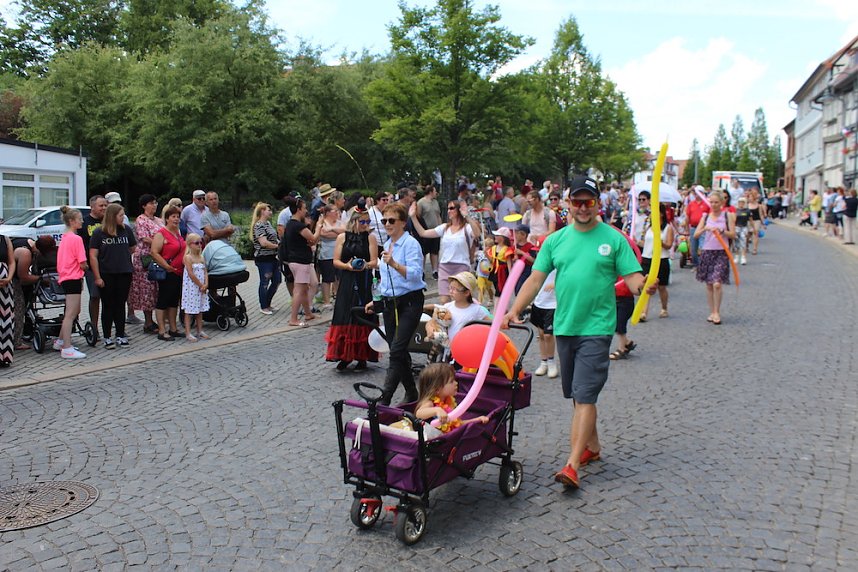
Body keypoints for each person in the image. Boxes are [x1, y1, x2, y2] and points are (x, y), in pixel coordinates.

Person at [502, 175, 654, 490]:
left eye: (589, 202)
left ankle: (572, 464)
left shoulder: (613, 239)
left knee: (584, 395)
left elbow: (634, 277)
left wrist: (644, 286)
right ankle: (592, 447)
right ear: (569, 204)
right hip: (565, 326)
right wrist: (515, 309)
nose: (583, 208)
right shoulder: (556, 241)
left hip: (597, 329)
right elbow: (534, 279)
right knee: (576, 395)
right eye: (577, 202)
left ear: (598, 204)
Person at [364, 202, 426, 405]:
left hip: (410, 302)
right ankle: (411, 392)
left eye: (391, 220)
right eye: (384, 220)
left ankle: (385, 398)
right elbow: (385, 278)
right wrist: (377, 301)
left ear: (403, 223)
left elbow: (416, 275)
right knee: (397, 350)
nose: (387, 224)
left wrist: (395, 264)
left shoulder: (410, 244)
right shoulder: (387, 244)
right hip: (390, 302)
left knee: (397, 349)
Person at [325, 206, 379, 371]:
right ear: (354, 221)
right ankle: (344, 355)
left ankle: (362, 356)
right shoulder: (342, 237)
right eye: (362, 221)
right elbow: (335, 261)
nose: (365, 224)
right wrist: (348, 267)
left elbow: (375, 261)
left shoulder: (370, 238)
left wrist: (364, 265)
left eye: (367, 221)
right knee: (344, 312)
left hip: (363, 279)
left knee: (363, 312)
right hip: (347, 280)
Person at [409, 200, 479, 303]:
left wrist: (467, 217)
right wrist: (413, 217)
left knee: (460, 300)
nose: (449, 211)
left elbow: (477, 234)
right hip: (445, 266)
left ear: (459, 210)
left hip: (461, 266)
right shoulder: (445, 227)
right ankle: (449, 318)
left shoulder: (466, 228)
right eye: (448, 208)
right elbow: (423, 233)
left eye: (451, 208)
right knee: (444, 300)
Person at [89, 202, 137, 348]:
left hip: (124, 272)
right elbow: (93, 256)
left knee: (120, 304)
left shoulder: (126, 230)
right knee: (108, 305)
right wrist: (97, 277)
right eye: (121, 215)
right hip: (106, 273)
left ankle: (121, 334)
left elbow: (132, 248)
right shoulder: (99, 233)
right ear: (112, 216)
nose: (123, 218)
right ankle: (107, 336)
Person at [694, 191, 736, 325]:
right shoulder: (706, 216)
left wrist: (722, 231)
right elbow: (695, 235)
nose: (713, 205)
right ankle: (712, 311)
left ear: (722, 203)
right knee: (709, 284)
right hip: (707, 251)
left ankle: (717, 311)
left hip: (722, 252)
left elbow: (733, 234)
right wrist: (705, 229)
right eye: (711, 202)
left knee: (717, 283)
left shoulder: (727, 215)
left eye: (716, 202)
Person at [424, 271, 490, 355]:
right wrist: (430, 330)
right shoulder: (447, 307)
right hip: (451, 350)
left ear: (466, 293)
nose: (451, 291)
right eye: (450, 288)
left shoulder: (477, 310)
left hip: (469, 351)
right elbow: (433, 321)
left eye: (454, 289)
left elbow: (492, 326)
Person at [414, 363, 489, 433]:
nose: (456, 383)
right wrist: (437, 410)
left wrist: (477, 420)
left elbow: (457, 424)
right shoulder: (429, 402)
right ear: (437, 389)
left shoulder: (448, 401)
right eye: (451, 381)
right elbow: (419, 413)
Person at [11, 236, 55, 351]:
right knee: (18, 309)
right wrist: (40, 279)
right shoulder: (25, 253)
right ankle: (16, 342)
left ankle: (24, 330)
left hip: (9, 275)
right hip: (9, 279)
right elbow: (23, 278)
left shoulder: (29, 241)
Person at [56, 207, 88, 359]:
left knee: (72, 311)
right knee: (70, 314)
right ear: (71, 221)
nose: (82, 221)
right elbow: (82, 262)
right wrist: (87, 268)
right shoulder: (76, 239)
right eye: (80, 218)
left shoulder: (65, 237)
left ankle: (61, 340)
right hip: (73, 277)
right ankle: (66, 348)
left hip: (66, 277)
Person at [151, 206, 187, 341]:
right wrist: (166, 266)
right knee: (163, 300)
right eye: (173, 216)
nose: (176, 219)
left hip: (178, 272)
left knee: (173, 301)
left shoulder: (178, 233)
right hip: (167, 272)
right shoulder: (161, 233)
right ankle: (162, 330)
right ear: (166, 219)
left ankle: (173, 328)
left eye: (178, 216)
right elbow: (154, 252)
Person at [129, 194, 162, 334]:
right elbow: (145, 238)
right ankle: (148, 321)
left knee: (156, 288)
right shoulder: (141, 220)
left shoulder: (159, 220)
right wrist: (161, 242)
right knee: (147, 289)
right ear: (144, 206)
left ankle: (156, 319)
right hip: (145, 257)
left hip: (159, 255)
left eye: (155, 202)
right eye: (151, 203)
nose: (154, 205)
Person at [284, 198, 318, 326]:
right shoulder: (298, 225)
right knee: (299, 290)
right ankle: (293, 318)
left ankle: (308, 313)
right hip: (300, 261)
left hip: (295, 260)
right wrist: (319, 226)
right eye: (304, 208)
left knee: (303, 289)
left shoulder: (290, 224)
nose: (306, 211)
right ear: (299, 210)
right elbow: (313, 238)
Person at [78, 194, 107, 341]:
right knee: (95, 296)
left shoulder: (109, 222)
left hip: (108, 265)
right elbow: (80, 245)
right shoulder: (84, 223)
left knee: (109, 298)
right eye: (101, 205)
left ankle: (109, 327)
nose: (104, 208)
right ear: (92, 207)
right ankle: (94, 328)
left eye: (105, 205)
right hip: (90, 266)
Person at [638, 203, 674, 321]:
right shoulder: (648, 226)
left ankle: (664, 308)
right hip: (647, 258)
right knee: (646, 286)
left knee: (661, 287)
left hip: (661, 259)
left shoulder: (667, 228)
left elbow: (669, 245)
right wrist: (636, 242)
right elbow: (644, 243)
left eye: (655, 211)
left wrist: (661, 243)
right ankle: (644, 312)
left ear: (662, 214)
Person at [250, 202, 281, 315]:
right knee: (265, 282)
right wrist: (278, 246)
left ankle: (268, 302)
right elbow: (263, 243)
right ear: (262, 211)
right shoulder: (259, 225)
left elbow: (273, 238)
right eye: (268, 210)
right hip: (264, 258)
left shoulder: (268, 223)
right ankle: (263, 306)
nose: (270, 212)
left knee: (277, 280)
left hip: (273, 256)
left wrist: (279, 243)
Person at [314, 204, 344, 310]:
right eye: (334, 211)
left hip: (339, 253)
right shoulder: (321, 221)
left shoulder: (340, 221)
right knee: (327, 278)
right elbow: (323, 234)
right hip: (326, 254)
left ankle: (340, 298)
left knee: (339, 277)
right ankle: (326, 301)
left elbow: (345, 231)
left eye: (337, 210)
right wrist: (337, 232)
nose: (337, 212)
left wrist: (332, 229)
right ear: (327, 213)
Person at [181, 233, 210, 342]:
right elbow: (191, 273)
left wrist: (206, 284)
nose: (199, 245)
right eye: (196, 243)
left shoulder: (201, 257)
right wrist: (200, 284)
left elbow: (205, 271)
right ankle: (188, 332)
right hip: (192, 287)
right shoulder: (188, 258)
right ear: (190, 244)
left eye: (200, 242)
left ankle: (199, 330)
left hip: (201, 287)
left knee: (200, 309)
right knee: (189, 310)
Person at [416, 185, 442, 278]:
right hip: (425, 231)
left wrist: (440, 226)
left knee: (434, 251)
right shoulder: (421, 202)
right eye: (435, 191)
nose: (436, 193)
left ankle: (435, 270)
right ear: (430, 192)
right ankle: (422, 271)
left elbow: (438, 215)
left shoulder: (435, 202)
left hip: (436, 230)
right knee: (423, 252)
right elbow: (418, 216)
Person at [685, 186, 709, 268]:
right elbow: (687, 217)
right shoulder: (691, 204)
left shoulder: (706, 203)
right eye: (695, 193)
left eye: (698, 193)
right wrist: (687, 229)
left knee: (702, 247)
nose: (696, 195)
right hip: (693, 227)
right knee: (693, 248)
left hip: (703, 228)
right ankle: (696, 264)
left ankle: (702, 264)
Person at [0, 232, 14, 367]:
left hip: (5, 287)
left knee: (6, 321)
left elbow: (11, 261)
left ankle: (5, 356)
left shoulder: (5, 239)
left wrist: (9, 277)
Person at [733, 196, 751, 265]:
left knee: (743, 241)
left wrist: (752, 228)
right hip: (737, 227)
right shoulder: (736, 210)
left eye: (742, 202)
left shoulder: (747, 211)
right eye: (740, 202)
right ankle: (737, 256)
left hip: (744, 227)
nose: (741, 204)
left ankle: (743, 257)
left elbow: (750, 220)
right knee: (736, 242)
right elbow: (733, 220)